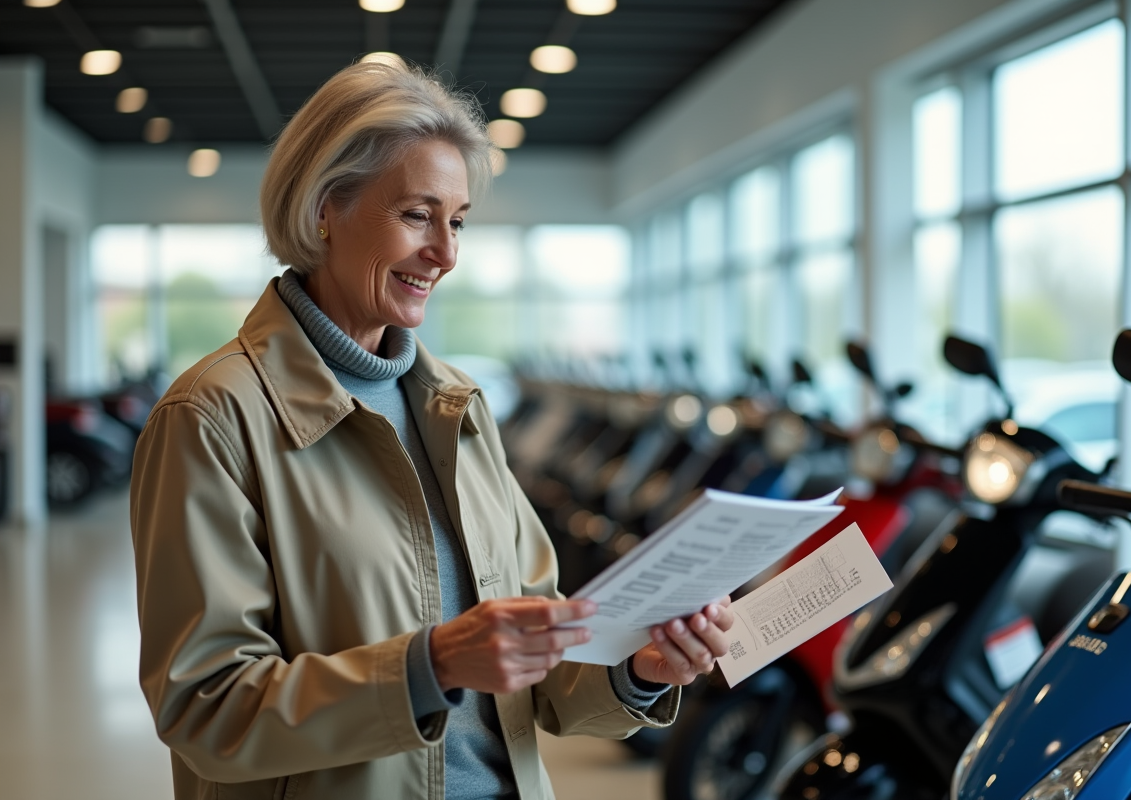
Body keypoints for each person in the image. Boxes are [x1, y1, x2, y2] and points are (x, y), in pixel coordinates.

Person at [130, 56, 733, 800]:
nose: (445, 254)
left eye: (456, 222)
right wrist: (431, 665)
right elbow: (206, 710)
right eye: (417, 215)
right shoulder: (213, 417)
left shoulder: (457, 403)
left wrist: (637, 668)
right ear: (325, 207)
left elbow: (539, 666)